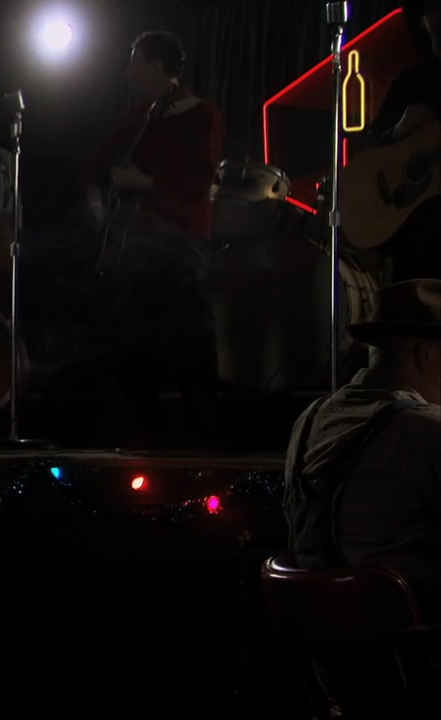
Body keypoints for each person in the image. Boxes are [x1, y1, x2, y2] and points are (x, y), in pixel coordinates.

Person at [79, 31, 225, 447]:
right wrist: (98, 202)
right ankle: (145, 430)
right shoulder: (138, 117)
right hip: (137, 242)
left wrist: (143, 183)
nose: (129, 73)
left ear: (159, 66)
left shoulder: (203, 115)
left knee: (191, 336)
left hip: (184, 240)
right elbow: (93, 165)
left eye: (135, 62)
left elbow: (199, 179)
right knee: (130, 336)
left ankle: (204, 433)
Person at [283, 279, 441, 618]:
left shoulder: (309, 419)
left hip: (322, 635)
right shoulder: (425, 429)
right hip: (411, 637)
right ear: (425, 354)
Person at [366, 0, 441, 281]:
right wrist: (399, 129)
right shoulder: (409, 82)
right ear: (423, 22)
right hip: (412, 236)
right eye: (432, 8)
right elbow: (370, 150)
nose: (439, 16)